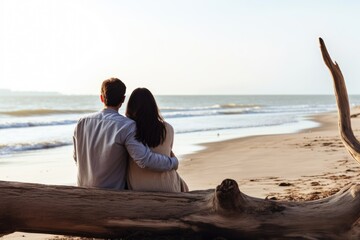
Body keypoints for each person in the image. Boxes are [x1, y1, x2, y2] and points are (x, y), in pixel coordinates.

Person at [73, 78, 178, 190]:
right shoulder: (127, 126)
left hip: (83, 189)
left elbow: (76, 157)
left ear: (101, 98)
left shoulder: (81, 122)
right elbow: (144, 159)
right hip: (112, 195)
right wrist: (173, 162)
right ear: (123, 99)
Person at [126, 88, 188, 192]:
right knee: (182, 185)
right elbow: (168, 153)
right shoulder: (168, 128)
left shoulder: (129, 130)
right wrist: (174, 162)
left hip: (139, 187)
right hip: (168, 187)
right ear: (153, 107)